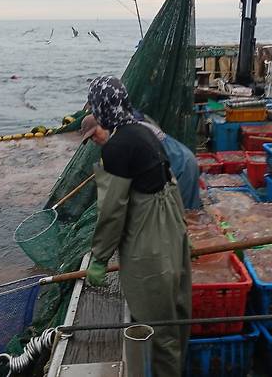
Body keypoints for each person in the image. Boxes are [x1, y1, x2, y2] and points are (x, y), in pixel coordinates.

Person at [83, 76, 192, 377]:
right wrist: (180, 234)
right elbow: (169, 182)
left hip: (152, 243)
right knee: (177, 313)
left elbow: (111, 211)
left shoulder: (116, 147)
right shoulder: (143, 132)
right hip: (172, 230)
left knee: (158, 327)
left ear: (101, 107)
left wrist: (100, 258)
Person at [81, 113, 202, 209]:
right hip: (173, 164)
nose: (95, 139)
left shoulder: (126, 133)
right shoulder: (120, 134)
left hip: (183, 165)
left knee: (187, 217)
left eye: (95, 133)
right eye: (91, 138)